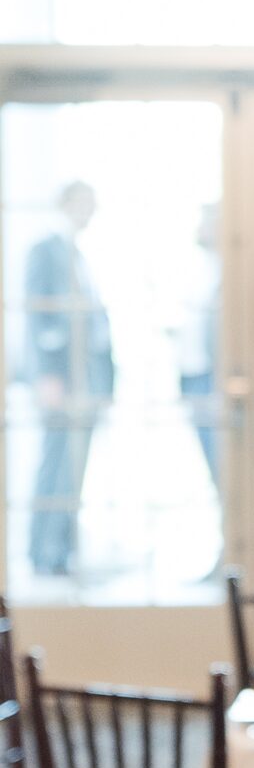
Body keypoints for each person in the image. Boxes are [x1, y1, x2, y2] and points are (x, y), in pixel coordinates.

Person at [24, 181, 113, 577]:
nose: (88, 213)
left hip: (87, 381)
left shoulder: (80, 255)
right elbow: (39, 320)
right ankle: (44, 553)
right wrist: (48, 376)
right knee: (55, 464)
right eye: (82, 204)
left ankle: (62, 550)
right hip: (61, 380)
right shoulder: (44, 252)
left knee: (74, 468)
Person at [175, 203, 222, 493]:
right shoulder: (197, 268)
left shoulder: (228, 268)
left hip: (212, 377)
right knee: (211, 460)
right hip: (192, 375)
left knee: (221, 460)